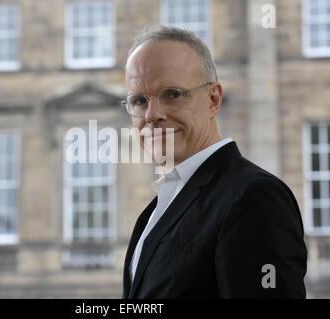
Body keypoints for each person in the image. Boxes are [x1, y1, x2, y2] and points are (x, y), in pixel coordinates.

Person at [121, 26, 307, 298]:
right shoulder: (155, 212)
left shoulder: (254, 197)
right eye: (139, 100)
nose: (152, 114)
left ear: (213, 99)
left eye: (172, 94)